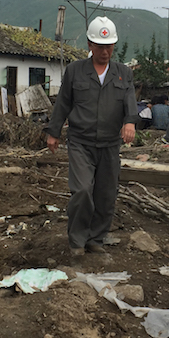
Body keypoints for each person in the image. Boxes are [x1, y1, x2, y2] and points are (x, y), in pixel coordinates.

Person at [45, 16, 138, 256]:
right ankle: (77, 241)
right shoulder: (75, 71)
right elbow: (63, 103)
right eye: (100, 46)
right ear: (90, 45)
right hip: (80, 142)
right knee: (83, 190)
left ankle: (96, 239)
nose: (105, 51)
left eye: (109, 46)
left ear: (114, 46)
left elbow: (130, 101)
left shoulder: (123, 73)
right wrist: (53, 132)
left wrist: (130, 122)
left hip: (109, 144)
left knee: (106, 194)